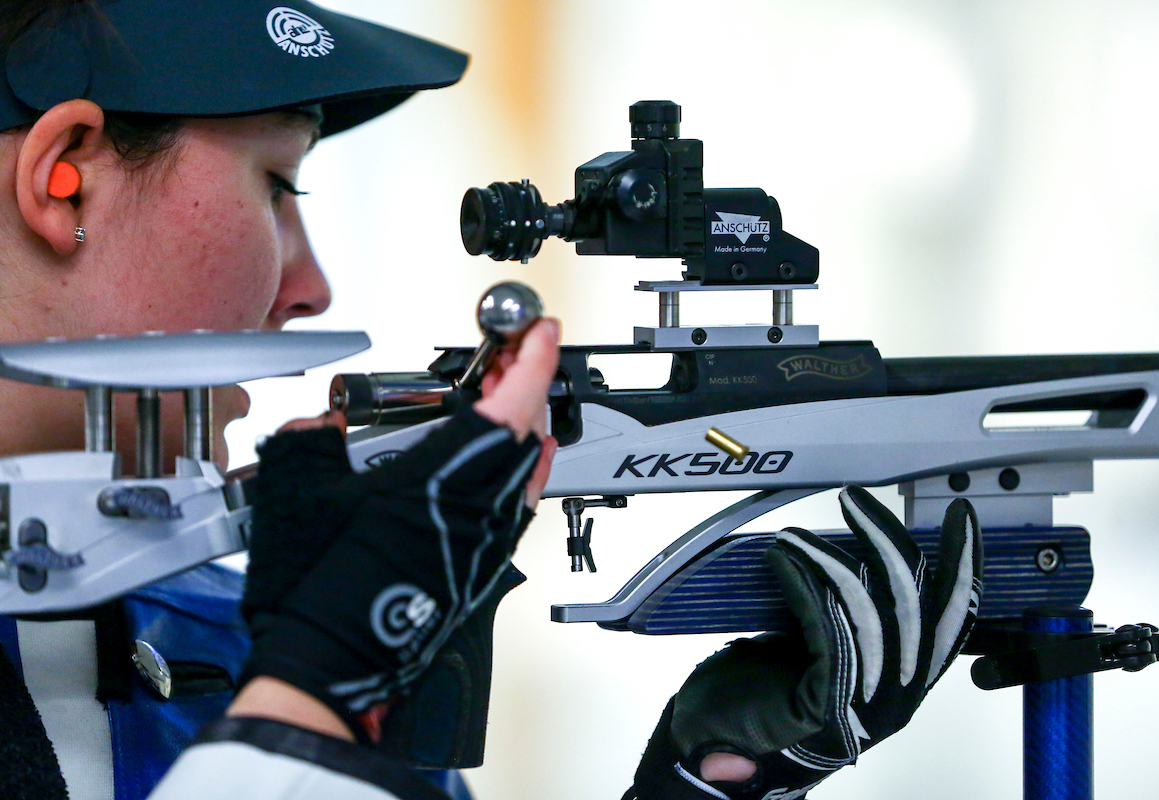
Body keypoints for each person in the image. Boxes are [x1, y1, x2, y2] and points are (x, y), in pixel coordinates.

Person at [0, 2, 984, 800]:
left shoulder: (238, 626)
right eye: (276, 185)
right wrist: (309, 703)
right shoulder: (314, 650)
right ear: (65, 176)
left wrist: (705, 786)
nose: (310, 286)